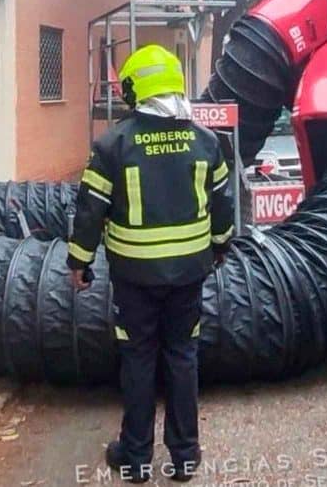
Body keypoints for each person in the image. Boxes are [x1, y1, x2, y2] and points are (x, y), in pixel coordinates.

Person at [67, 44, 234, 483]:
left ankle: (136, 457)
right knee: (182, 356)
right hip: (189, 277)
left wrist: (79, 262)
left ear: (134, 89)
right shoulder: (206, 141)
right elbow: (223, 205)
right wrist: (220, 246)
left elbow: (89, 211)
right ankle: (185, 455)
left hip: (134, 278)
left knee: (138, 359)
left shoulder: (112, 144)